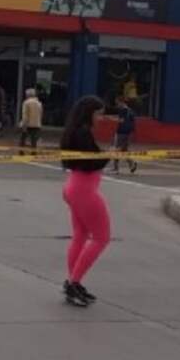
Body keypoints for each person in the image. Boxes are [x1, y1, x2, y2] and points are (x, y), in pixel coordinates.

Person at [60, 96, 111, 308]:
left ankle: (74, 281)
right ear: (89, 112)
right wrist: (109, 156)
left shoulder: (77, 131)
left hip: (75, 186)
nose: (101, 118)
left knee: (80, 236)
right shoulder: (82, 133)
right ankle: (74, 282)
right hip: (84, 189)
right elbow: (90, 163)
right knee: (102, 237)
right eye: (98, 113)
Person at [112, 96, 137, 174]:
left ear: (121, 102)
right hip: (128, 132)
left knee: (117, 149)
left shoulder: (123, 110)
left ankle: (116, 168)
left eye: (117, 103)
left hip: (121, 132)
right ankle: (132, 163)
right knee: (124, 150)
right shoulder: (130, 110)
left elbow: (121, 120)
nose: (117, 105)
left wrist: (111, 119)